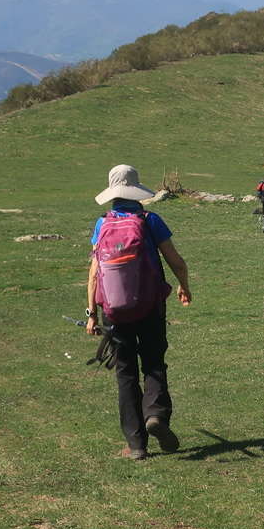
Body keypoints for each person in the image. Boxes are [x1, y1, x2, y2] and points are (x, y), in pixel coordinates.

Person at [86, 164, 192, 461]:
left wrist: (91, 313)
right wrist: (184, 286)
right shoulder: (150, 220)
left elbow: (94, 274)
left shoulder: (102, 224)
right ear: (136, 190)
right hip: (149, 305)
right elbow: (175, 260)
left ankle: (136, 444)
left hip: (114, 311)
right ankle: (155, 414)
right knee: (154, 363)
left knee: (126, 373)